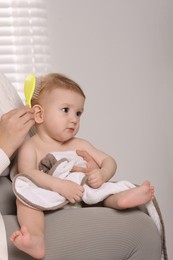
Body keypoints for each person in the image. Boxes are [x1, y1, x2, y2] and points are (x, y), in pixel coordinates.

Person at [10, 73, 154, 259]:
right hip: (49, 196)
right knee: (24, 200)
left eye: (78, 113)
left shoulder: (79, 144)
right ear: (39, 114)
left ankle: (121, 200)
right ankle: (36, 238)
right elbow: (27, 173)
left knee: (101, 190)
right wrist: (59, 185)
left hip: (81, 194)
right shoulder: (31, 146)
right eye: (65, 110)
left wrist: (102, 173)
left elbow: (109, 160)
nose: (74, 119)